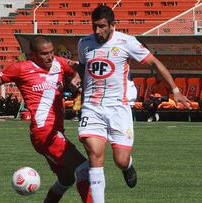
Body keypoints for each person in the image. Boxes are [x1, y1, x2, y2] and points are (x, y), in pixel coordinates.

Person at [0, 36, 92, 203]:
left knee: (66, 180)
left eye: (51, 52)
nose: (49, 57)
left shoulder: (59, 63)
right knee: (84, 169)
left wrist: (76, 77)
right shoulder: (20, 68)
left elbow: (78, 68)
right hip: (45, 133)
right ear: (33, 54)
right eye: (44, 54)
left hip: (51, 133)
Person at [77, 5, 190, 203]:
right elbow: (83, 68)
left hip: (118, 108)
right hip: (92, 107)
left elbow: (154, 63)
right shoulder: (84, 43)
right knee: (95, 154)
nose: (97, 31)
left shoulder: (126, 42)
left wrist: (176, 90)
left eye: (102, 26)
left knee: (120, 160)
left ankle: (128, 166)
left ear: (113, 25)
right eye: (94, 26)